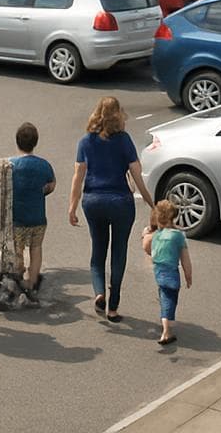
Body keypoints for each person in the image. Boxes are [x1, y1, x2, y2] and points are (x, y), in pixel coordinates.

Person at [67, 96, 155, 323]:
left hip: (93, 201)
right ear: (119, 115)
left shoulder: (85, 141)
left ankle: (99, 293)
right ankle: (113, 306)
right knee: (119, 252)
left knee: (98, 253)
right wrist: (151, 203)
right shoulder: (124, 140)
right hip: (121, 202)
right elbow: (137, 175)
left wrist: (72, 207)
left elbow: (78, 177)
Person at [10, 122, 55, 304]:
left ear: (17, 142)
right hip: (38, 217)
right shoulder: (44, 165)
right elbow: (51, 185)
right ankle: (32, 282)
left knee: (17, 250)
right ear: (35, 142)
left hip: (17, 219)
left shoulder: (11, 165)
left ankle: (19, 276)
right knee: (36, 248)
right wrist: (41, 191)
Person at [141, 200, 193, 345]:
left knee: (165, 295)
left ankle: (167, 322)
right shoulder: (178, 236)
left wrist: (145, 235)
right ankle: (166, 330)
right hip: (172, 272)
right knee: (170, 298)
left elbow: (147, 248)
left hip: (158, 271)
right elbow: (185, 260)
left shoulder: (155, 235)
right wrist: (188, 276)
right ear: (173, 217)